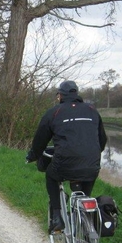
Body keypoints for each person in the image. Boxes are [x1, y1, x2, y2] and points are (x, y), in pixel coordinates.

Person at [26, 80, 108, 233]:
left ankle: (57, 217)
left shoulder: (54, 112)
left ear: (60, 96)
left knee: (51, 175)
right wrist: (92, 154)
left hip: (64, 164)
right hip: (92, 165)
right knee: (85, 192)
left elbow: (40, 141)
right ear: (76, 94)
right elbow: (102, 139)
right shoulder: (92, 110)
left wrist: (33, 156)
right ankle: (84, 221)